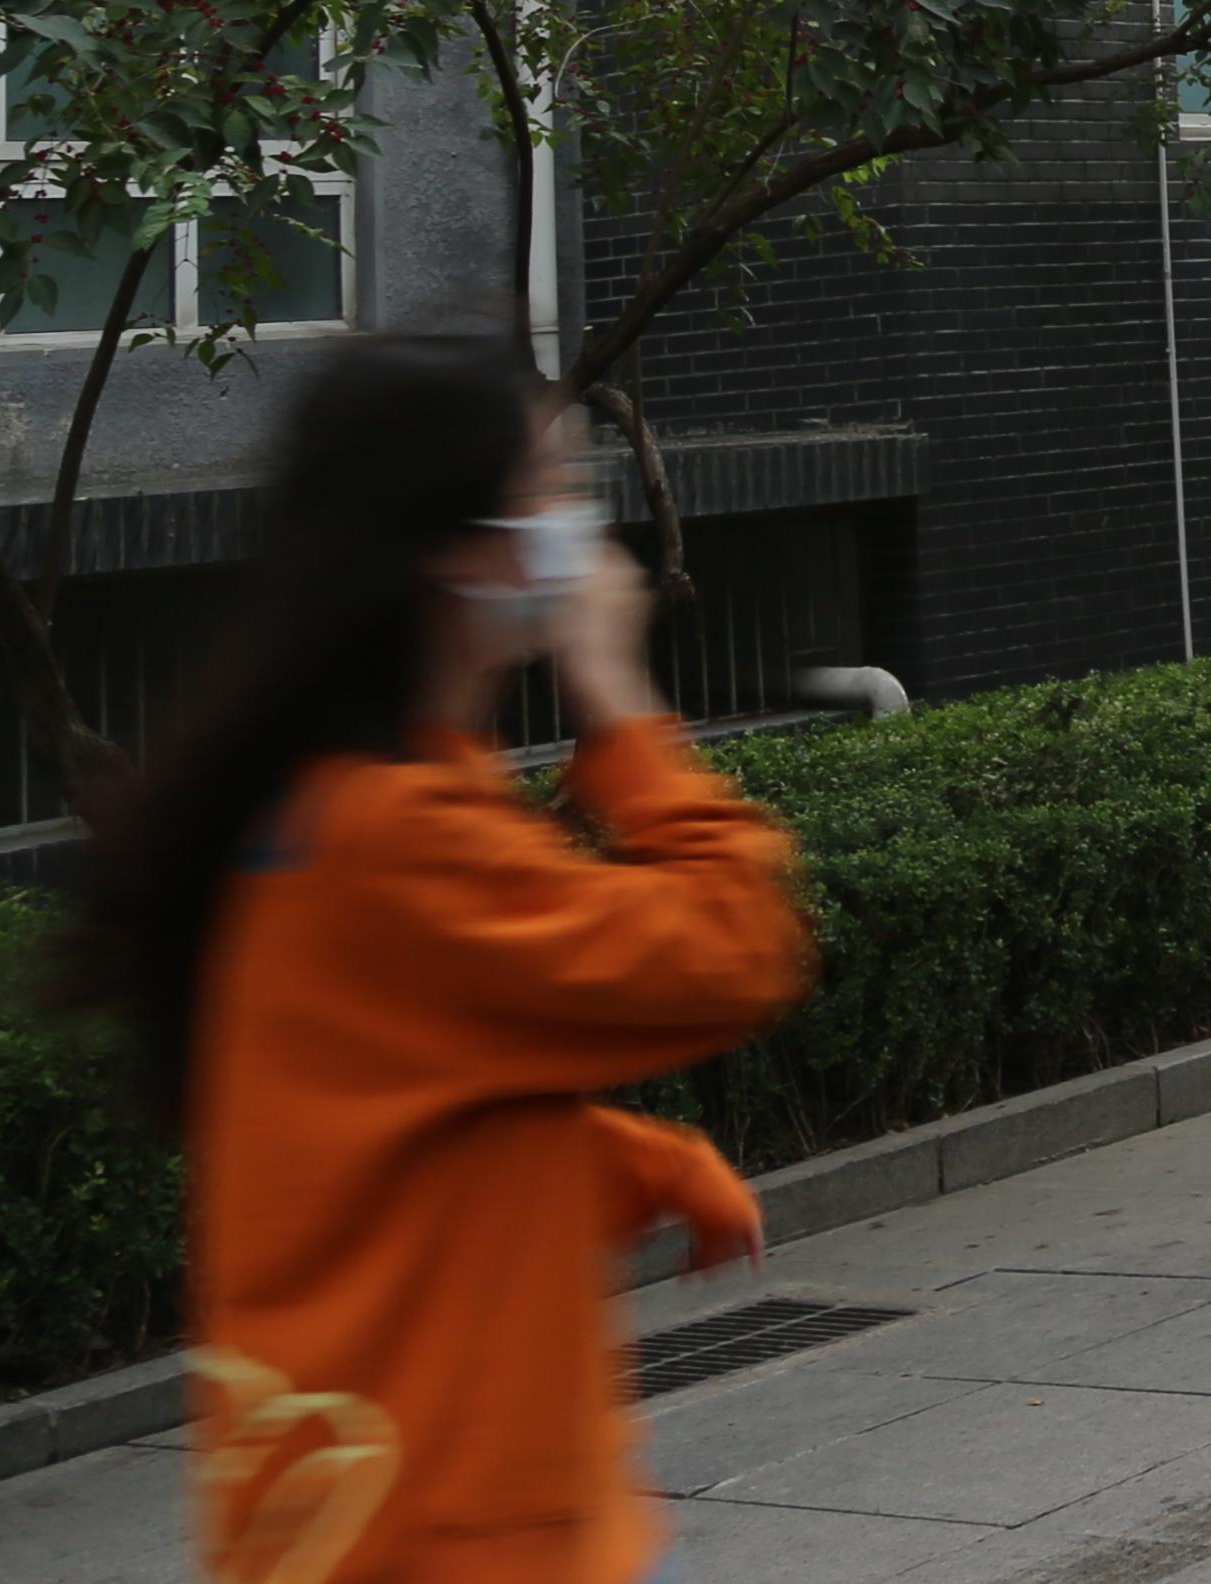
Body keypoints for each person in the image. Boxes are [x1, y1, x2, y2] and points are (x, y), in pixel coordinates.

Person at [63, 336, 811, 1584]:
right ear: (457, 547)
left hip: (390, 1513)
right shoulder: (397, 835)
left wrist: (640, 1163)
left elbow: (386, 1114)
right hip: (452, 1531)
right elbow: (732, 949)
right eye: (552, 489)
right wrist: (618, 697)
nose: (583, 531)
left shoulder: (331, 808)